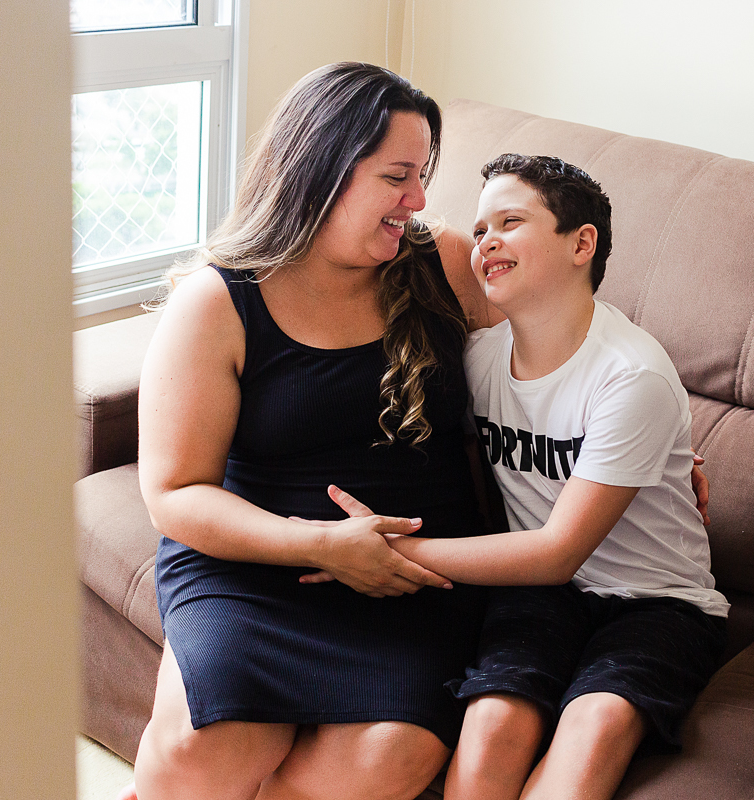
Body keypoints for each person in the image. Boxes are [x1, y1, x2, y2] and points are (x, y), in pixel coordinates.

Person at [124, 62, 505, 800]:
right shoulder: (219, 302)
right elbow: (174, 492)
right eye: (398, 176)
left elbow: (562, 354)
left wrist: (657, 447)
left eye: (423, 174)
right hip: (254, 566)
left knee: (389, 757)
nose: (419, 199)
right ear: (324, 169)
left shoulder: (445, 263)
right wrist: (320, 542)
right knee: (204, 748)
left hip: (412, 573)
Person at [312, 154, 728, 800]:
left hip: (654, 601)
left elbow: (558, 552)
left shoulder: (631, 377)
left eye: (511, 221)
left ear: (580, 244)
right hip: (536, 598)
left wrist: (386, 551)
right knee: (491, 726)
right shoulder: (477, 363)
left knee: (596, 724)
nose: (486, 242)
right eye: (479, 231)